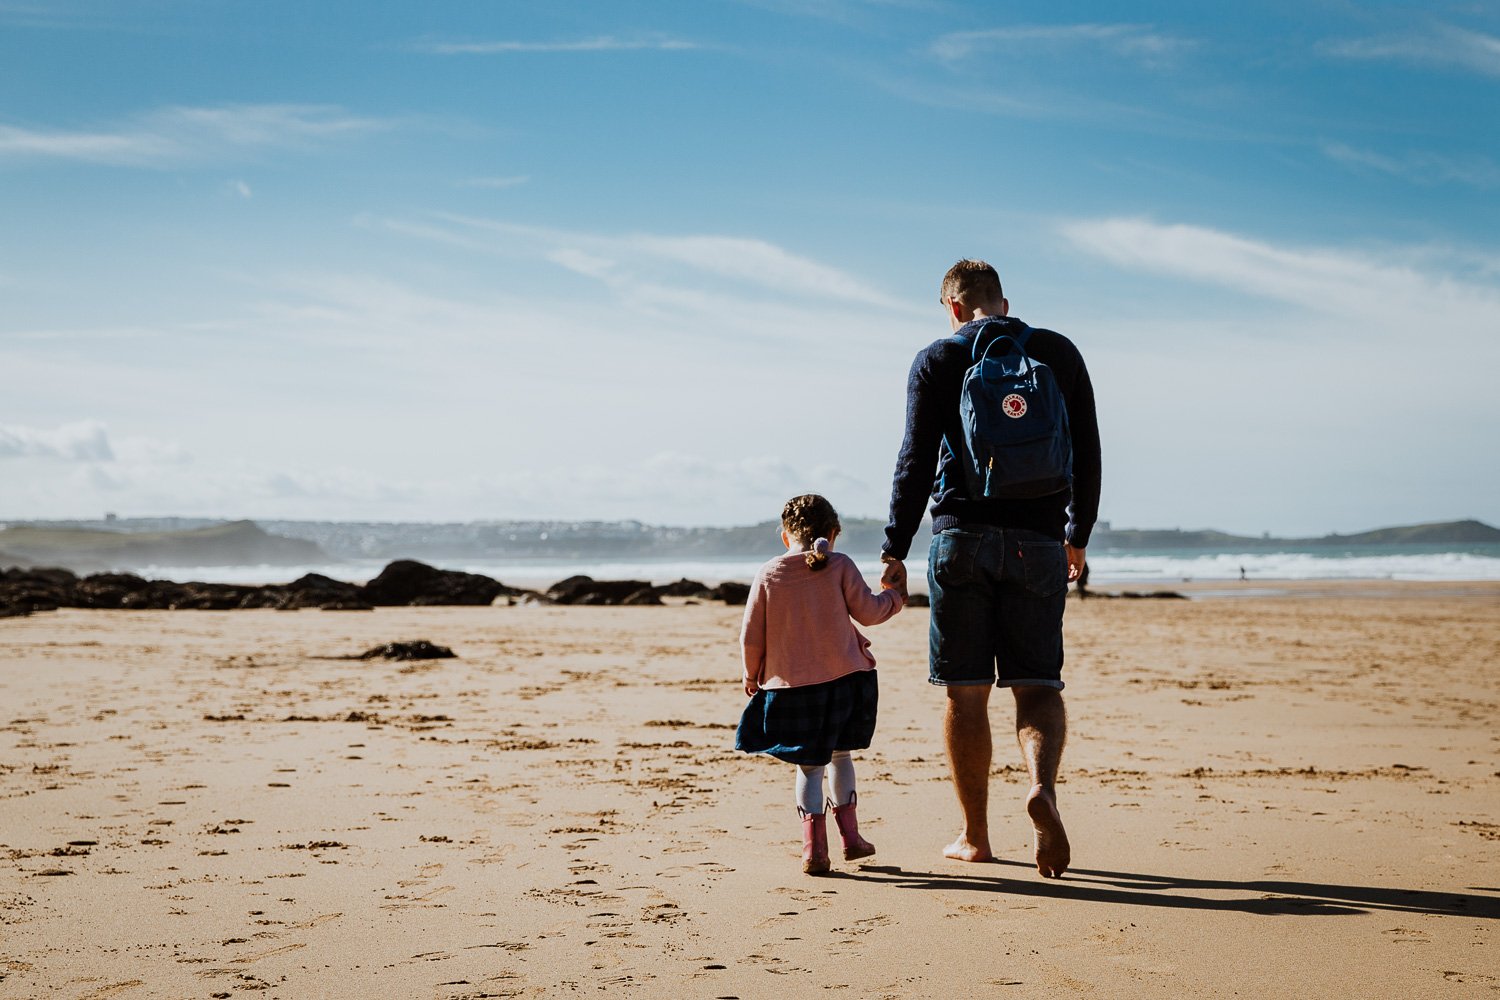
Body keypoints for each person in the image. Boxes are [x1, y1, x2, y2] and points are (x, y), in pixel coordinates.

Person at [880, 259, 1101, 879]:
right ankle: (1042, 790)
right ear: (1003, 302)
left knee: (966, 692)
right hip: (1039, 539)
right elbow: (1087, 446)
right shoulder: (1057, 351)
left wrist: (895, 545)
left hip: (961, 540)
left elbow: (915, 459)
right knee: (1038, 684)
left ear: (951, 307)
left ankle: (975, 836)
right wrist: (1076, 535)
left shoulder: (937, 359)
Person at [736, 494, 906, 874]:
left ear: (785, 537)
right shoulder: (839, 565)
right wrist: (894, 596)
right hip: (845, 682)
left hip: (790, 688)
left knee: (809, 767)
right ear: (833, 533)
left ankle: (814, 849)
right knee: (841, 756)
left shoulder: (768, 573)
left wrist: (751, 674)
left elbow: (751, 636)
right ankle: (852, 839)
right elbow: (869, 612)